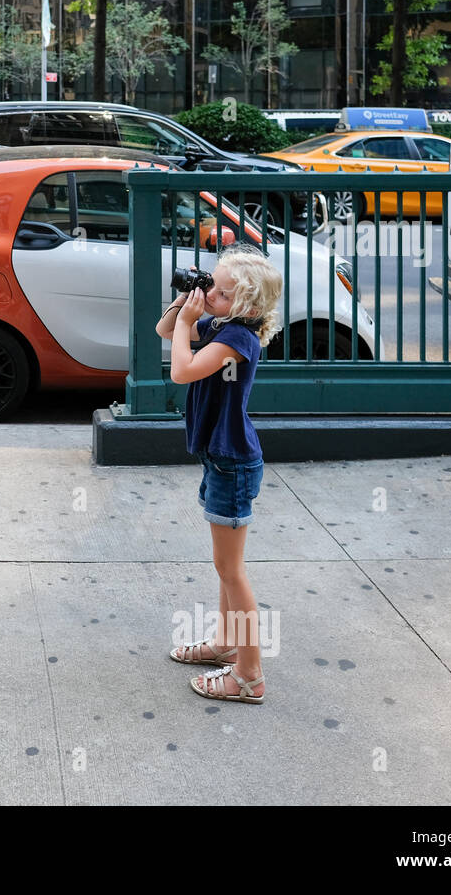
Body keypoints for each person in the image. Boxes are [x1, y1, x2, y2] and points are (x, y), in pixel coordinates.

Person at [155, 243, 283, 704]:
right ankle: (226, 645)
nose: (211, 294)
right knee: (224, 567)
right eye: (211, 282)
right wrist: (186, 302)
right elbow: (164, 329)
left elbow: (183, 371)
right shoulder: (221, 322)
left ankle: (249, 675)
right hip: (221, 456)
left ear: (247, 306)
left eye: (221, 292)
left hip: (233, 462)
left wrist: (191, 322)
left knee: (232, 570)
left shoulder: (237, 340)